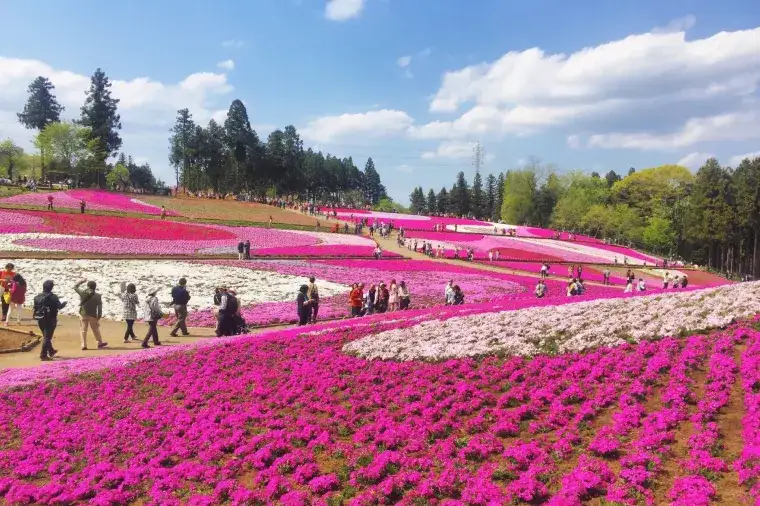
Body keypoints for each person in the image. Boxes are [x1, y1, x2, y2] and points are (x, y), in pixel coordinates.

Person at [33, 280, 67, 361]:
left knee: (46, 336)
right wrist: (64, 303)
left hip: (40, 318)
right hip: (50, 319)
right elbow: (59, 307)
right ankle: (43, 355)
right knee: (47, 337)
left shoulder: (38, 296)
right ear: (51, 288)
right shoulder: (53, 297)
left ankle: (51, 351)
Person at [74, 279, 108, 350]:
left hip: (83, 314)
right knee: (95, 329)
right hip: (93, 315)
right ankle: (99, 343)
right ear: (95, 287)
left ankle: (84, 344)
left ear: (88, 286)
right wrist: (99, 316)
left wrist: (81, 281)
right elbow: (99, 307)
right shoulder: (98, 296)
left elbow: (75, 287)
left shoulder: (83, 293)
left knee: (83, 330)